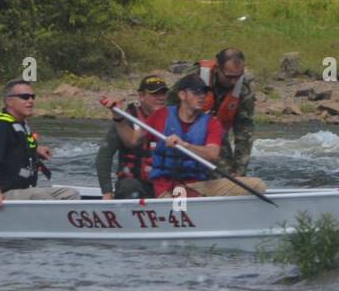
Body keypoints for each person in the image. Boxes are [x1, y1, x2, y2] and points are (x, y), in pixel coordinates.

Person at [117, 73, 265, 198]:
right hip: (167, 186)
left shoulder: (211, 123)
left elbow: (212, 154)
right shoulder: (160, 116)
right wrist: (118, 118)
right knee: (181, 198)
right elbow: (132, 140)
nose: (202, 97)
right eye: (196, 93)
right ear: (182, 95)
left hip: (199, 185)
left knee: (257, 185)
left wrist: (185, 145)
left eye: (204, 93)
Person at [0, 80, 79, 206]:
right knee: (40, 196)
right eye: (24, 97)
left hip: (22, 190)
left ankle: (64, 225)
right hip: (3, 193)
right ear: (9, 101)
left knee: (70, 193)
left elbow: (15, 149)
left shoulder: (20, 124)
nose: (30, 101)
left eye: (32, 97)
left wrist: (36, 150)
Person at [165, 47, 256, 176]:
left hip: (217, 136)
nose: (233, 82)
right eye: (229, 77)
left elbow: (245, 133)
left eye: (238, 77)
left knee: (228, 176)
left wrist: (239, 171)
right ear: (218, 67)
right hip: (184, 131)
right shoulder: (194, 76)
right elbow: (169, 104)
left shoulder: (243, 89)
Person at [96, 75, 168, 199]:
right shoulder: (126, 121)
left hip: (162, 183)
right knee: (129, 187)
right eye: (155, 94)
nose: (160, 98)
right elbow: (104, 156)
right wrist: (107, 192)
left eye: (163, 93)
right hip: (134, 184)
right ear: (141, 96)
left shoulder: (172, 119)